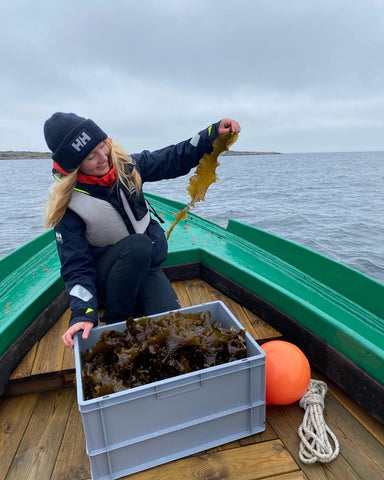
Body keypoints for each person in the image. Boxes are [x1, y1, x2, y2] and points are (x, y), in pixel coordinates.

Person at [44, 112, 241, 348]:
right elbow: (76, 267)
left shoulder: (128, 168)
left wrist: (211, 134)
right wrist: (83, 314)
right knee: (138, 245)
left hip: (144, 267)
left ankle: (136, 303)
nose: (103, 157)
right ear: (74, 167)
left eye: (101, 146)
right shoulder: (68, 207)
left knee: (173, 329)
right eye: (90, 157)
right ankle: (116, 319)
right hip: (107, 281)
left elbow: (172, 158)